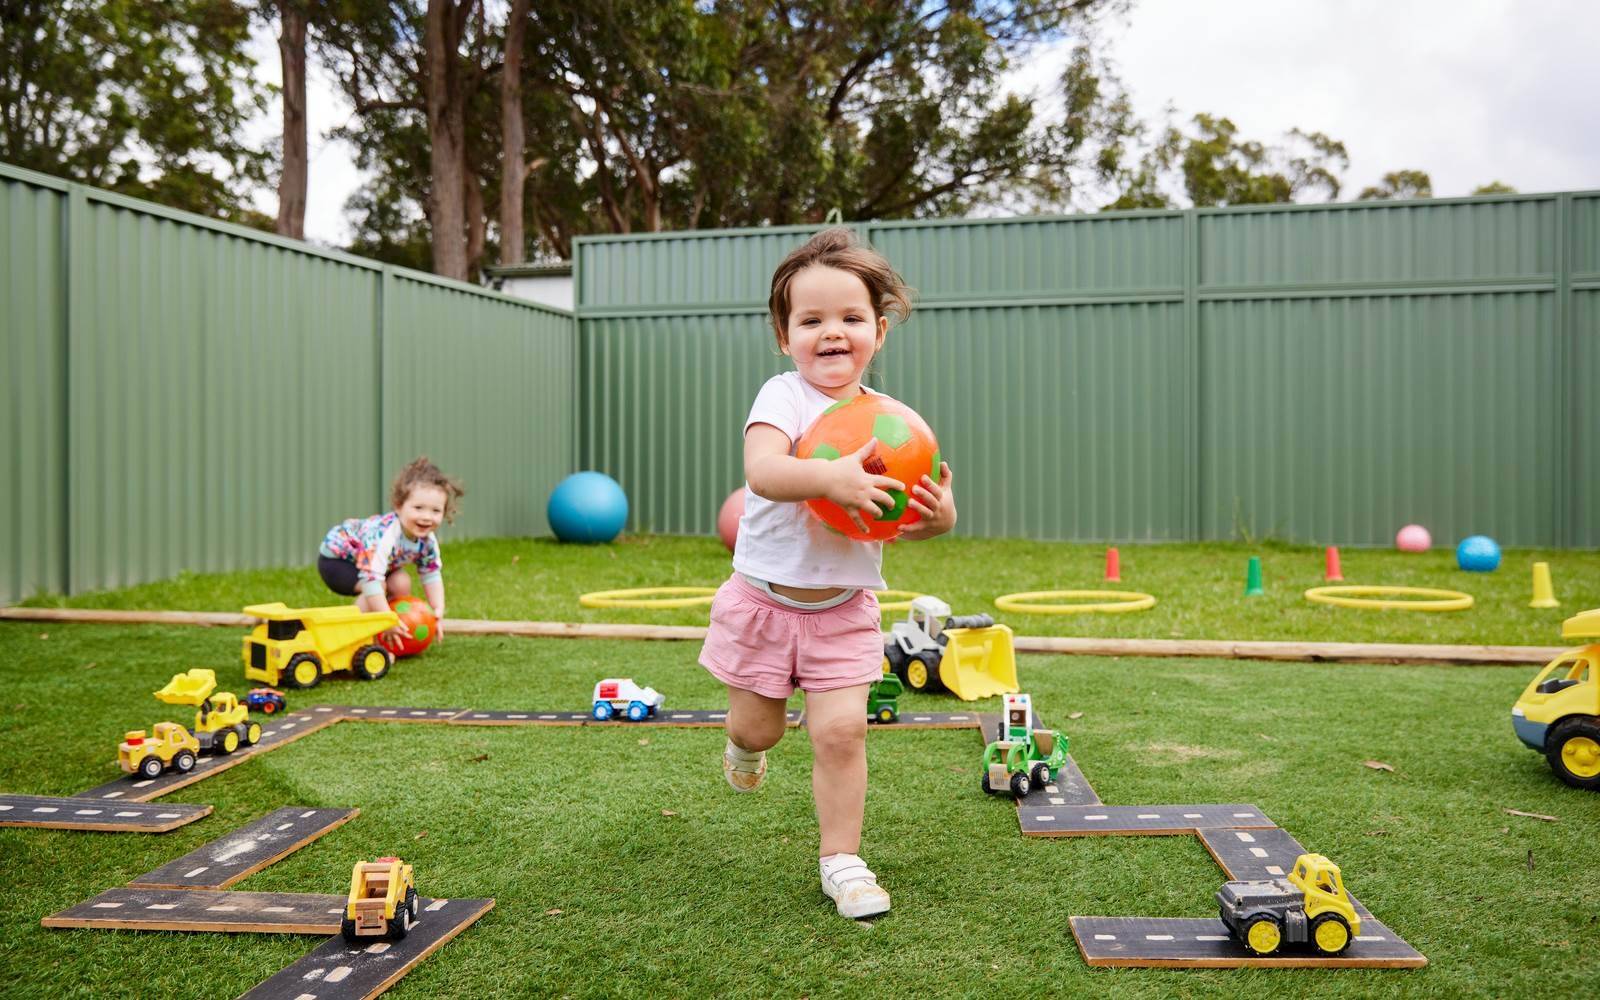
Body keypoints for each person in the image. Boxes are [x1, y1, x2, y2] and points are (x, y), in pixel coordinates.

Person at [699, 227, 956, 919]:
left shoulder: (890, 422)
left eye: (850, 318)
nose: (831, 333)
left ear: (879, 328)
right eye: (811, 320)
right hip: (764, 601)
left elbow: (915, 515)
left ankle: (842, 860)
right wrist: (830, 479)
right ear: (785, 336)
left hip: (844, 608)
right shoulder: (783, 397)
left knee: (842, 732)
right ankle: (743, 745)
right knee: (762, 730)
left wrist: (938, 514)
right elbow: (764, 470)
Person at [317, 457, 463, 644]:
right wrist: (387, 619)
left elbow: (431, 574)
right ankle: (357, 639)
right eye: (418, 508)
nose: (426, 517)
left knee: (401, 583)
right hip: (339, 562)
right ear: (399, 506)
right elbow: (371, 581)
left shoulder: (427, 541)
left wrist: (438, 611)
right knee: (378, 588)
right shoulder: (385, 535)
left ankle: (394, 634)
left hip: (377, 565)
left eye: (435, 511)